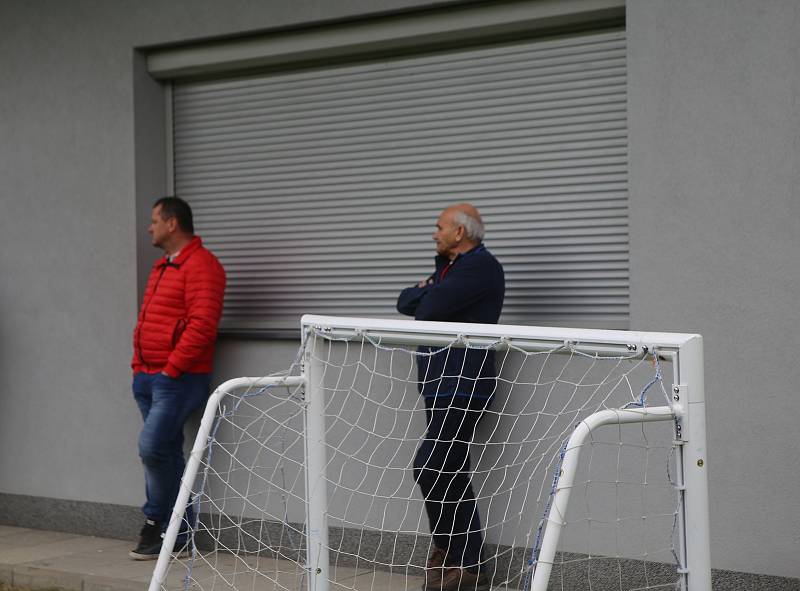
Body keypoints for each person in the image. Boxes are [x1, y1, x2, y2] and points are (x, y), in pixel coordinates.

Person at [397, 203, 504, 591]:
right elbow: (404, 301)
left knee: (429, 467)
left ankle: (451, 555)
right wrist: (427, 291)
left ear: (460, 233)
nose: (434, 233)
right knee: (451, 470)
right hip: (438, 381)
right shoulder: (450, 270)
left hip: (464, 382)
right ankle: (468, 567)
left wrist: (428, 293)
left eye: (439, 227)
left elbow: (427, 309)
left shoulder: (481, 267)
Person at [129, 196, 226, 560]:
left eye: (154, 221)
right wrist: (140, 367)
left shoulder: (202, 266)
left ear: (172, 223)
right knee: (165, 452)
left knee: (153, 448)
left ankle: (156, 523)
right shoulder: (163, 267)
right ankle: (178, 536)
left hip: (177, 378)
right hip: (148, 376)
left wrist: (171, 369)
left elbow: (202, 326)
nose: (149, 228)